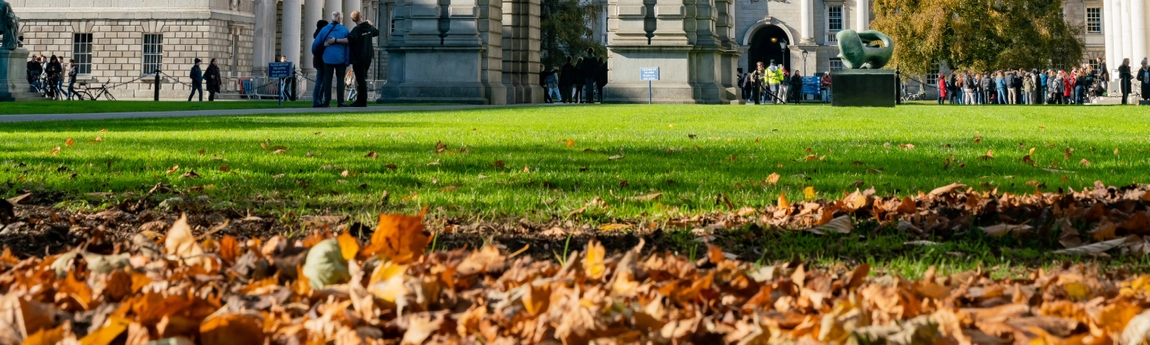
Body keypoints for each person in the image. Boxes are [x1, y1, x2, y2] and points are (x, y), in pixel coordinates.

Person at [313, 11, 351, 108]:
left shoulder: (324, 30)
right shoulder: (344, 30)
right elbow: (348, 47)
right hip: (340, 59)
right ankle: (340, 101)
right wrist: (347, 60)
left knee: (327, 81)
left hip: (327, 59)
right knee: (340, 81)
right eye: (341, 18)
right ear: (339, 19)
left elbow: (315, 45)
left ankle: (327, 102)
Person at [347, 10, 379, 107]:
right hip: (368, 56)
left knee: (360, 80)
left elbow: (351, 39)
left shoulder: (356, 30)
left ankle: (362, 101)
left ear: (353, 20)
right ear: (361, 16)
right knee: (362, 79)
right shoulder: (368, 27)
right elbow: (376, 32)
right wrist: (370, 25)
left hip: (358, 57)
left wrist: (336, 40)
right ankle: (360, 100)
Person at [310, 19, 329, 106]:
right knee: (320, 82)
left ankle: (319, 100)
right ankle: (317, 101)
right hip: (321, 60)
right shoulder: (320, 36)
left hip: (320, 60)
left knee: (322, 82)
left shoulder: (318, 35)